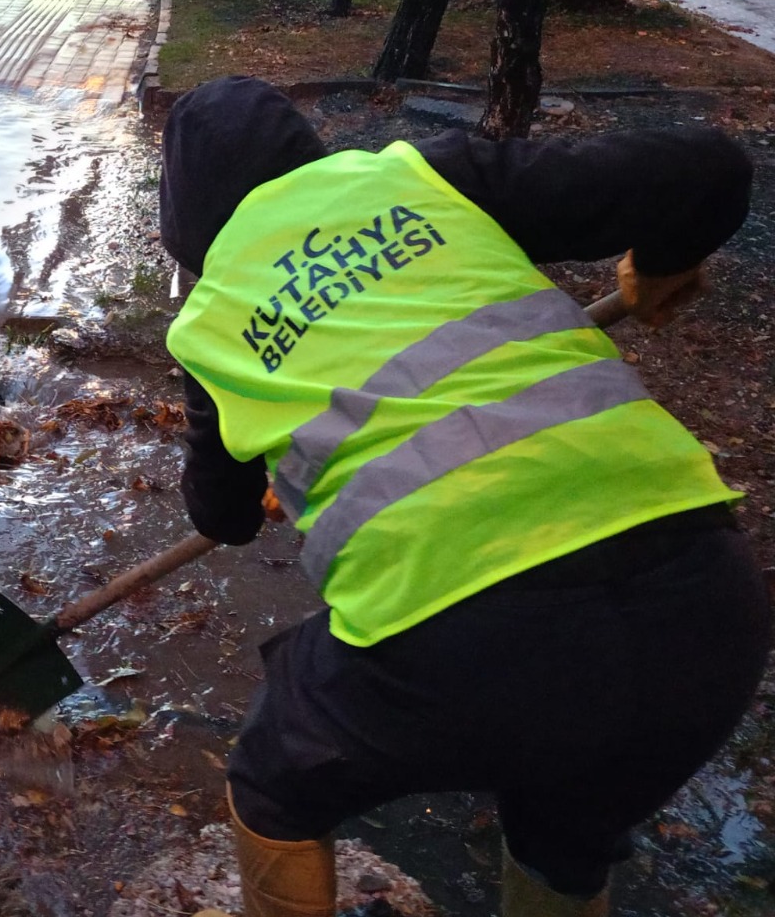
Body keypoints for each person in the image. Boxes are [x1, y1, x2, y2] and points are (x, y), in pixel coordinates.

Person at [158, 76, 768, 917]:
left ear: (186, 222)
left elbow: (220, 519)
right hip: (709, 604)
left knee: (276, 775)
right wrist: (662, 267)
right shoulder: (422, 178)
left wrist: (271, 469)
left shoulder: (209, 318)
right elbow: (709, 168)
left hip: (468, 640)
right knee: (565, 829)